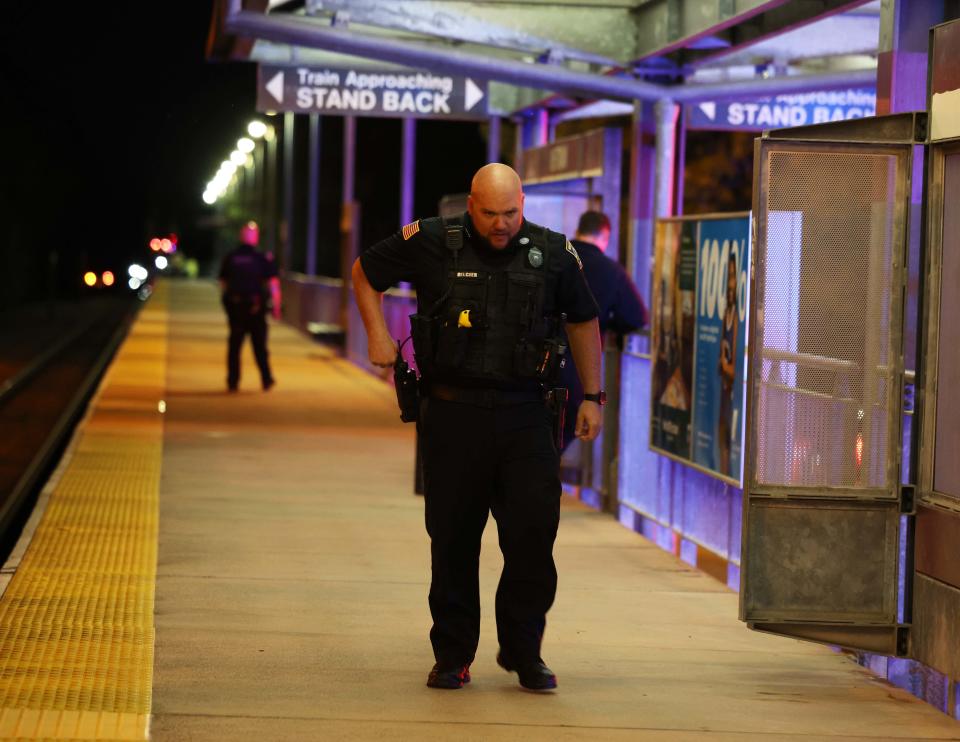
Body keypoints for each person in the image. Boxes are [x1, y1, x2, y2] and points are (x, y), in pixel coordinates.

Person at [352, 164, 603, 692]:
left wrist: (595, 397)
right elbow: (364, 272)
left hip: (527, 415)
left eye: (510, 212)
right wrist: (376, 334)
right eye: (489, 213)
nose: (500, 224)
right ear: (470, 205)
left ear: (523, 204)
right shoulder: (431, 241)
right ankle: (452, 656)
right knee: (452, 542)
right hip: (452, 414)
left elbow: (583, 320)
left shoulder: (553, 252)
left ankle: (523, 651)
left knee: (533, 538)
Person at [559, 211, 647, 451]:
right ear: (605, 235)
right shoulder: (610, 270)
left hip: (538, 369)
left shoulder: (556, 258)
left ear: (579, 230)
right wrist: (609, 323)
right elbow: (636, 316)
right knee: (555, 445)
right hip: (579, 375)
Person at [218, 221, 281, 392]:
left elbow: (222, 282)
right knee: (260, 346)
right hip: (256, 309)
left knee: (235, 346)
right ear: (255, 237)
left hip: (237, 307)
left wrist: (228, 304)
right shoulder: (262, 258)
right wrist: (276, 305)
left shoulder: (231, 257)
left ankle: (233, 381)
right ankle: (266, 379)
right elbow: (273, 283)